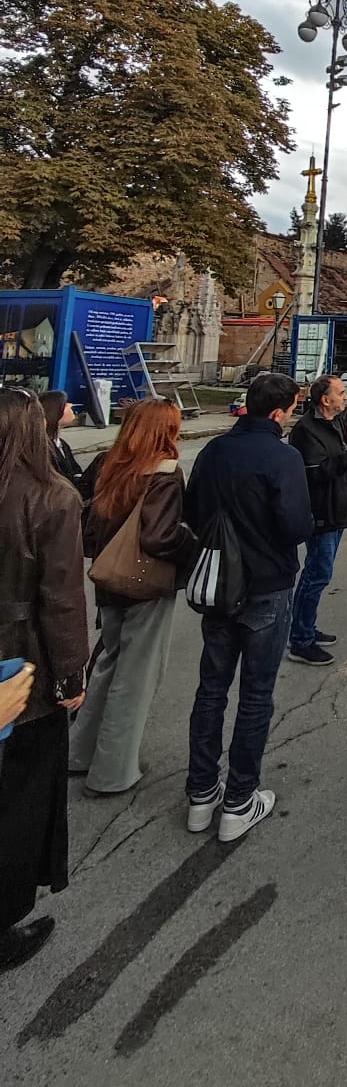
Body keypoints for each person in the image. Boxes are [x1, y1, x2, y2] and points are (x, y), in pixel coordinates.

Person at [183, 372, 312, 843]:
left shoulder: (214, 451)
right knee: (256, 694)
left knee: (211, 689)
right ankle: (239, 799)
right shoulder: (283, 456)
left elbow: (192, 511)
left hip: (219, 584)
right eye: (291, 409)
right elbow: (296, 526)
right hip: (266, 585)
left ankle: (201, 793)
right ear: (278, 412)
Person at [0, 387, 89, 973]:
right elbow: (61, 599)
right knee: (21, 802)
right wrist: (71, 675)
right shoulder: (50, 497)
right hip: (22, 664)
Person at [69, 399, 196, 796]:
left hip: (108, 578)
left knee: (108, 664)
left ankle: (79, 752)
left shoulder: (108, 462)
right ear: (166, 430)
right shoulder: (165, 472)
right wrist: (191, 543)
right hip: (144, 582)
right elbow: (159, 537)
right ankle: (112, 771)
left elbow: (87, 522)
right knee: (135, 678)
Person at [287, 374, 347, 666]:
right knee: (316, 574)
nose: (346, 396)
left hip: (338, 508)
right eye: (341, 392)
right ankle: (300, 640)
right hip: (322, 513)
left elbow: (346, 444)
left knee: (319, 573)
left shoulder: (339, 421)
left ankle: (306, 627)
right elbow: (317, 471)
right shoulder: (307, 430)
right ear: (325, 400)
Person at [40, 391, 85, 490]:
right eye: (64, 404)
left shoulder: (62, 444)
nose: (70, 405)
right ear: (54, 412)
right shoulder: (43, 448)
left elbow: (76, 469)